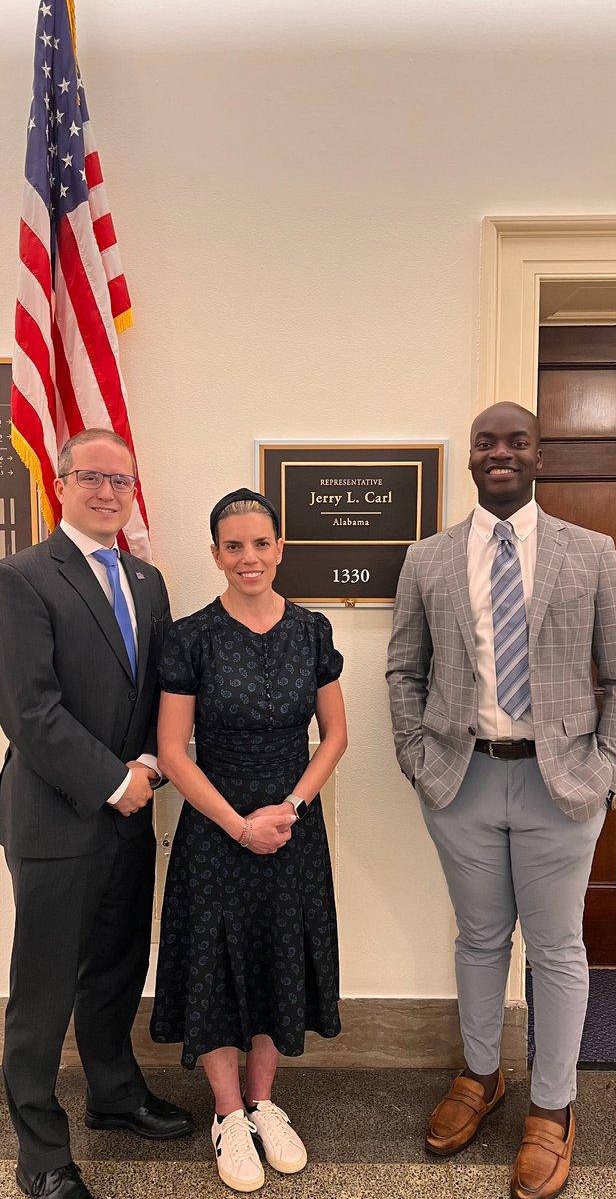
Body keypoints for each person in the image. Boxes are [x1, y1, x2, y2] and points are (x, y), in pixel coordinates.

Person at [386, 403, 616, 1199]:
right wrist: (418, 762)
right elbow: (402, 670)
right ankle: (481, 1075)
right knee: (481, 937)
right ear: (469, 458)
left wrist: (608, 770)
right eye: (485, 442)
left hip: (561, 783)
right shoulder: (426, 558)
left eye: (515, 441)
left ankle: (552, 1107)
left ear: (538, 454)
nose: (500, 453)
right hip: (460, 780)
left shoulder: (591, 553)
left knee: (556, 948)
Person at [0, 429, 193, 1199]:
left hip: (131, 811)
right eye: (93, 478)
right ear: (63, 482)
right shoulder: (20, 577)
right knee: (44, 987)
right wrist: (113, 781)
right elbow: (29, 710)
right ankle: (41, 1151)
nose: (109, 492)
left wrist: (146, 766)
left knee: (115, 966)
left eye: (122, 480)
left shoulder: (147, 581)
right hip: (56, 816)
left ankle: (113, 1096)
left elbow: (158, 693)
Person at [151, 487, 347, 1193]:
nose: (248, 557)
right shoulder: (191, 635)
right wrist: (238, 824)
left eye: (260, 543)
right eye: (233, 546)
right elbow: (174, 751)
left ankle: (265, 1103)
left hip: (292, 826)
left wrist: (288, 807)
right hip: (215, 828)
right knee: (217, 964)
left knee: (274, 958)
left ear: (279, 548)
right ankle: (228, 1115)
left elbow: (335, 736)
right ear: (215, 554)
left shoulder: (310, 630)